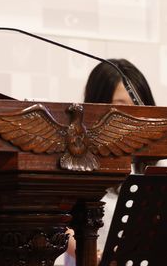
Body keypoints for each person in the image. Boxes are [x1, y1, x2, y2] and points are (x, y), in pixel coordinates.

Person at [61, 58, 157, 266]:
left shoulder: (154, 167)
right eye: (121, 108)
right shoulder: (75, 162)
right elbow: (59, 226)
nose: (131, 119)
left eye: (137, 108)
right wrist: (89, 254)